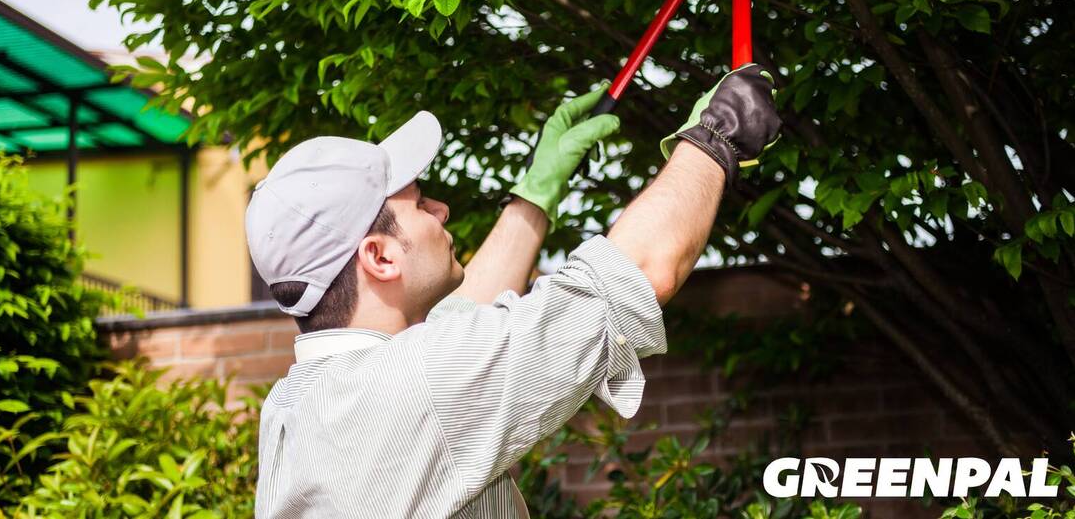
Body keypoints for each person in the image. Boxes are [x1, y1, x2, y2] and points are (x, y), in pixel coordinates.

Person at [247, 64, 781, 518]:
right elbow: (632, 276)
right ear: (380, 257)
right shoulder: (420, 381)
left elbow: (459, 327)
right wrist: (715, 138)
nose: (441, 211)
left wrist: (536, 190)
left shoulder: (296, 403)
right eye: (421, 203)